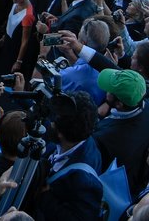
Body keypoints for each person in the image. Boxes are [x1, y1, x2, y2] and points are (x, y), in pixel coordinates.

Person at [36, 90, 104, 221]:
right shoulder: (79, 133)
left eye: (54, 121)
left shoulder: (84, 181)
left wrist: (44, 196)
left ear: (60, 133)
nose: (51, 122)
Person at [93, 68, 149, 193]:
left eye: (109, 91)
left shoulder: (104, 138)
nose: (106, 91)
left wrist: (97, 117)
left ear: (119, 104)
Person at [0, 0, 37, 78]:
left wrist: (18, 61)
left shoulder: (28, 15)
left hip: (15, 50)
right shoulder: (15, 3)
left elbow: (25, 41)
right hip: (7, 44)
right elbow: (10, 22)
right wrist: (4, 36)